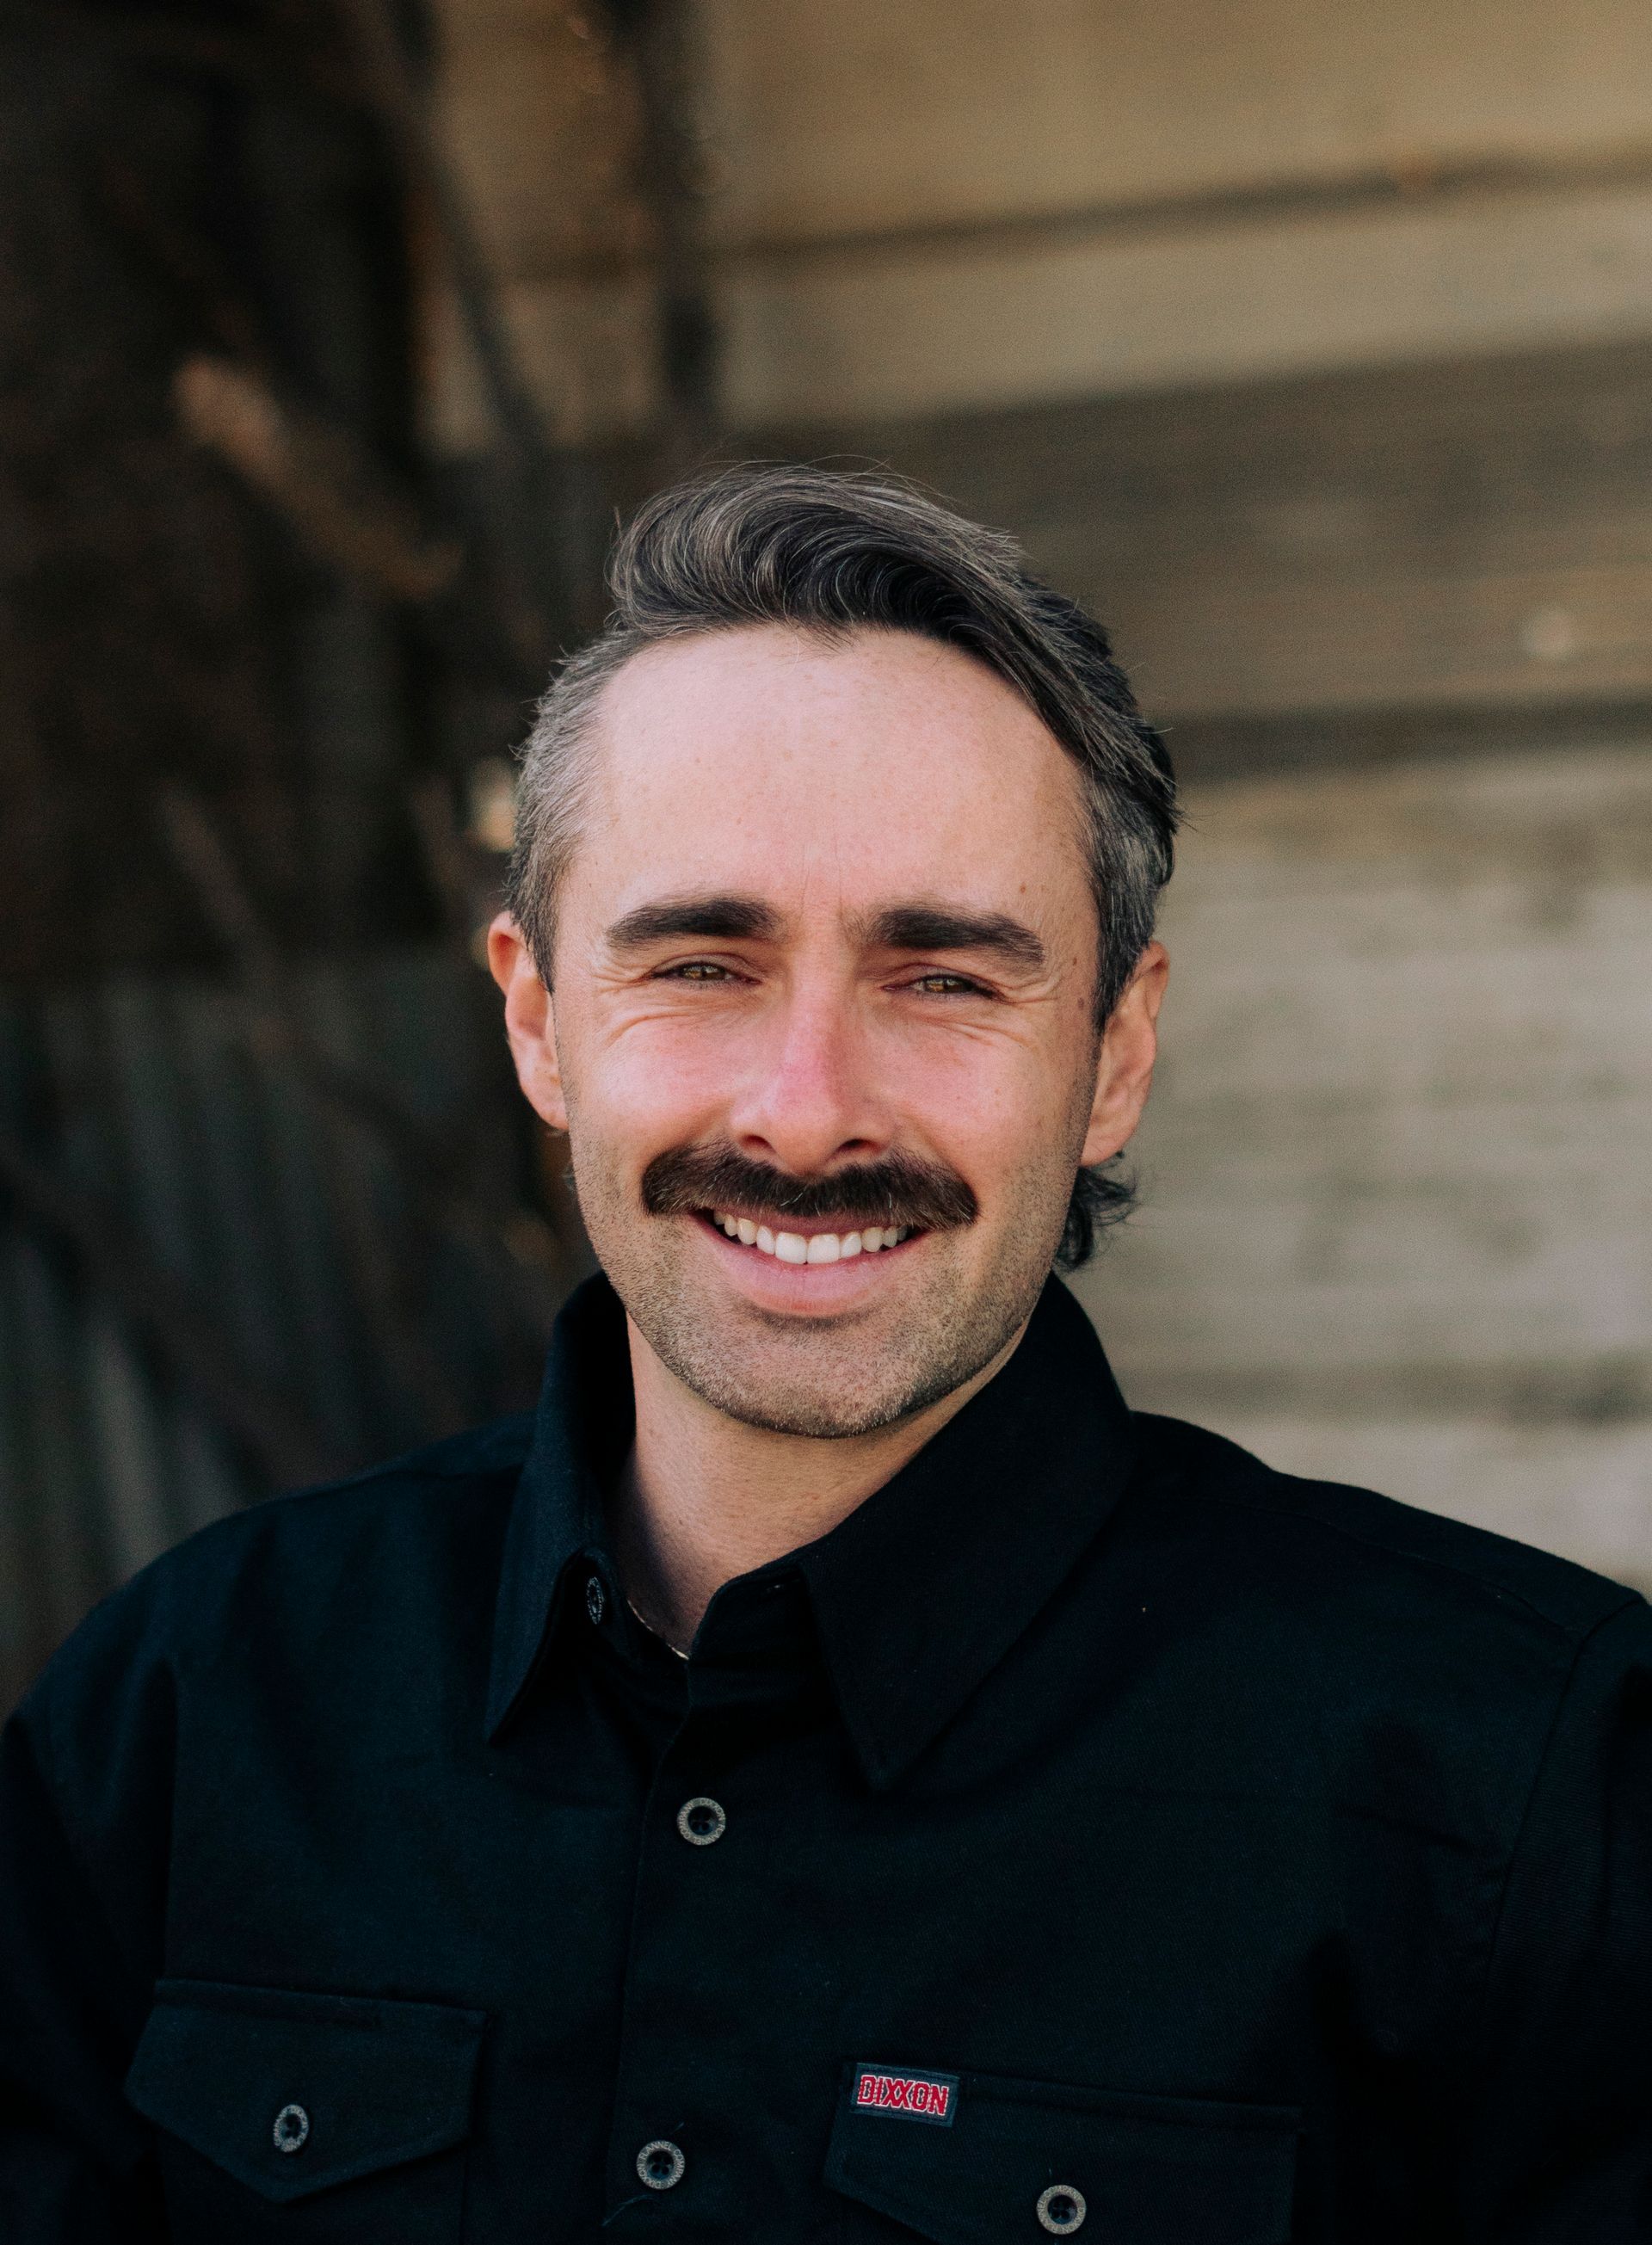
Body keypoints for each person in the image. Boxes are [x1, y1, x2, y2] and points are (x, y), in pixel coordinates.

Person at [2, 466, 1649, 2243]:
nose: (806, 1113)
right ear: (540, 1020)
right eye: (703, 965)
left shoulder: (1523, 1789)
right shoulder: (191, 1713)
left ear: (1113, 1055)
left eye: (943, 979)